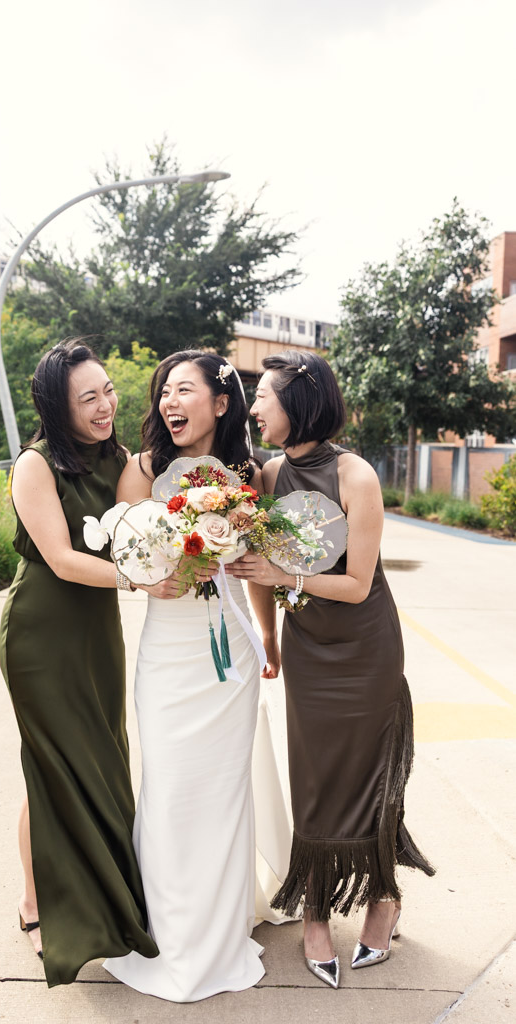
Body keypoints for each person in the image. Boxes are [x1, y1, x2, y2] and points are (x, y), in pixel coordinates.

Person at [228, 352, 435, 990]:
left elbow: (355, 582)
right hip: (310, 648)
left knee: (369, 773)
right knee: (315, 776)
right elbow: (257, 570)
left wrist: (284, 576)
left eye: (264, 395)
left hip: (366, 644)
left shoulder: (356, 474)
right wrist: (267, 634)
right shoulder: (263, 477)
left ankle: (384, 897)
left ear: (302, 402)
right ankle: (316, 907)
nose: (255, 408)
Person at [103, 351, 292, 1002]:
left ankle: (222, 921)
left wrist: (267, 636)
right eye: (163, 391)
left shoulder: (253, 473)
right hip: (169, 654)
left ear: (220, 400)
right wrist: (176, 570)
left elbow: (260, 566)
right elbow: (133, 562)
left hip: (232, 655)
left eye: (183, 389)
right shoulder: (141, 470)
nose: (167, 402)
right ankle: (171, 929)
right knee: (171, 789)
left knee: (220, 791)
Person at [0, 340, 164, 987]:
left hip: (96, 634)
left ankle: (103, 902)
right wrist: (141, 582)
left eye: (107, 391)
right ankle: (38, 906)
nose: (104, 405)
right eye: (87, 397)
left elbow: (139, 529)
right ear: (57, 406)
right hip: (41, 635)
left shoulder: (119, 460)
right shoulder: (35, 466)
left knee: (100, 761)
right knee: (54, 769)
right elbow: (64, 560)